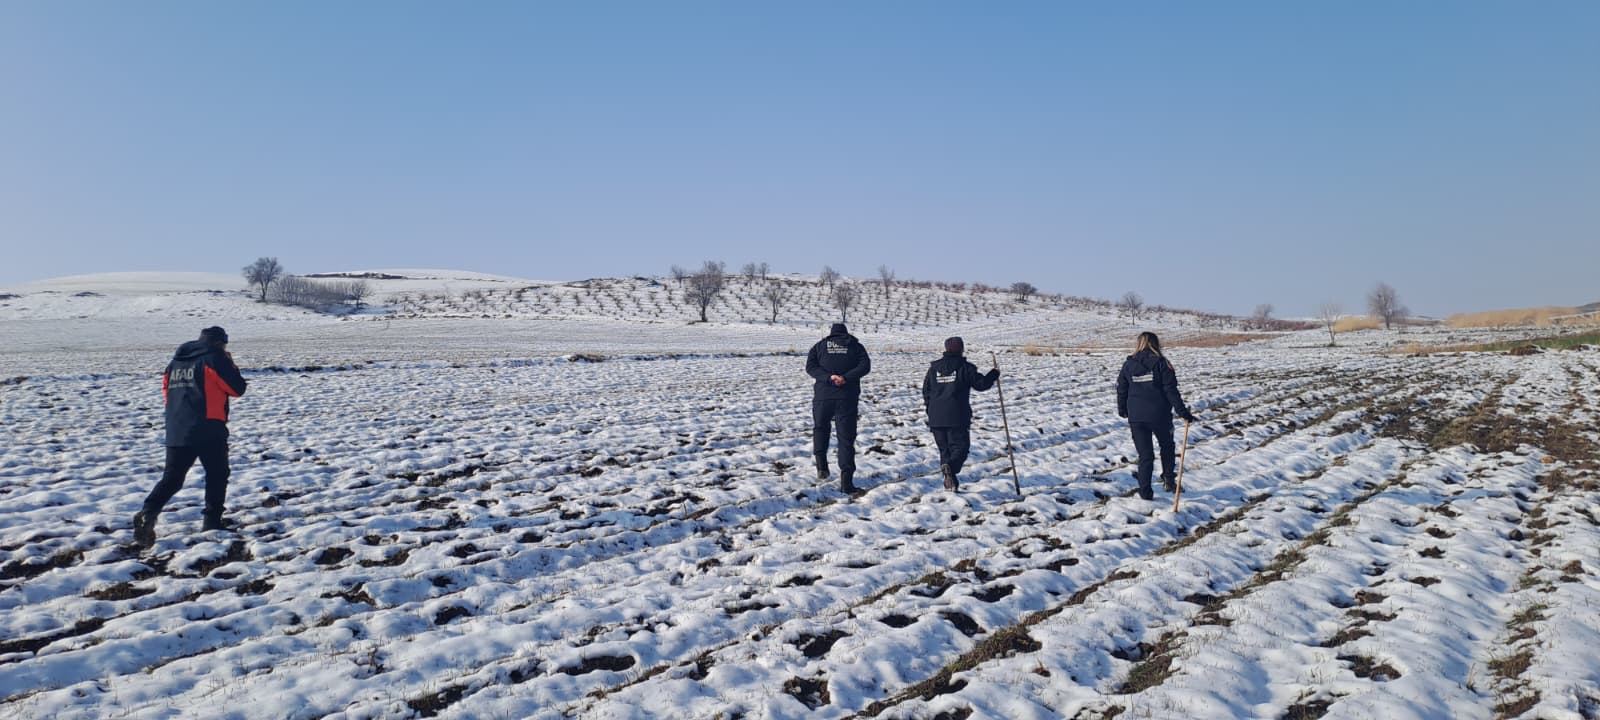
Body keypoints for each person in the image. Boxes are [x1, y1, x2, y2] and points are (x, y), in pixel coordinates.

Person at [132, 326, 248, 546]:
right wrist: (229, 363)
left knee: (173, 478)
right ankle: (212, 522)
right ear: (220, 343)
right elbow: (237, 388)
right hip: (208, 427)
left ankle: (148, 512)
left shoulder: (175, 363)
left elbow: (167, 394)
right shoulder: (214, 358)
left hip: (177, 428)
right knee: (217, 474)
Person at [1116, 331, 1196, 501]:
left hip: (1137, 417)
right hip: (1159, 415)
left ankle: (1145, 492)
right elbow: (1170, 390)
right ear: (1156, 344)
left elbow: (1121, 388)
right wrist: (1183, 413)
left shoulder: (1128, 365)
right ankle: (1168, 479)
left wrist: (1122, 409)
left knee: (1145, 456)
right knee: (1167, 446)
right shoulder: (1162, 363)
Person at [921, 337, 999, 492]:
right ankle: (950, 468)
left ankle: (950, 482)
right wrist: (993, 374)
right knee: (961, 448)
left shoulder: (934, 368)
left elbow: (926, 390)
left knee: (945, 451)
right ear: (961, 349)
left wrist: (930, 409)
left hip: (936, 417)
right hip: (957, 416)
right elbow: (981, 384)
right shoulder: (965, 367)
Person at [805, 322, 871, 493]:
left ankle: (822, 467)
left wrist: (828, 377)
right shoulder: (855, 346)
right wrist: (846, 378)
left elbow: (810, 367)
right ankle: (846, 481)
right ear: (846, 333)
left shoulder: (819, 346)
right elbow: (865, 366)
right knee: (846, 438)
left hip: (823, 396)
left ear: (831, 333)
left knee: (820, 428)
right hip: (847, 397)